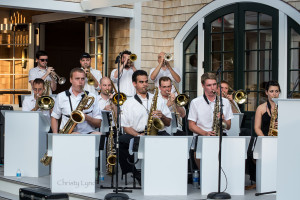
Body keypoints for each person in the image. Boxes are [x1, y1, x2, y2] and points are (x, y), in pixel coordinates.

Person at [119, 70, 172, 184]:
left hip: (158, 133)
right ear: (134, 84)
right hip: (138, 134)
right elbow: (126, 127)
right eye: (141, 82)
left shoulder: (158, 99)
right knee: (122, 140)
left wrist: (162, 116)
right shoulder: (128, 103)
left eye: (146, 82)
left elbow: (168, 123)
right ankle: (134, 172)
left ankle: (167, 172)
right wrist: (139, 135)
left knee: (171, 141)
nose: (145, 84)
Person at [188, 72, 233, 169]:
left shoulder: (225, 102)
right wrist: (205, 133)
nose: (212, 88)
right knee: (201, 159)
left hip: (220, 134)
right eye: (209, 85)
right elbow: (191, 125)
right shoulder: (195, 102)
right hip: (202, 135)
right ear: (203, 85)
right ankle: (202, 175)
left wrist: (223, 120)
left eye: (214, 85)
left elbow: (229, 126)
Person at [245, 80, 281, 190]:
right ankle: (261, 179)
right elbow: (257, 128)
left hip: (280, 139)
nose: (274, 94)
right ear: (266, 92)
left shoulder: (283, 107)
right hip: (264, 138)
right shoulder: (261, 108)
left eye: (276, 91)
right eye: (271, 91)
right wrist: (265, 140)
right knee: (252, 153)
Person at [51, 68, 102, 134]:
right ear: (71, 80)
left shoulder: (92, 97)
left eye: (83, 79)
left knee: (99, 134)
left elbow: (98, 124)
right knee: (76, 134)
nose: (80, 82)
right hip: (68, 133)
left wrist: (86, 117)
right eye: (77, 79)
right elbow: (54, 117)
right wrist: (55, 136)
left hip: (88, 133)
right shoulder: (61, 96)